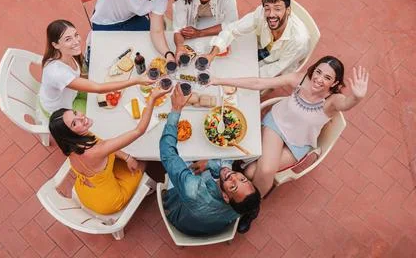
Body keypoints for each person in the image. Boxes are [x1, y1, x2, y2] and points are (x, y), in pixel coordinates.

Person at [211, 56, 369, 197]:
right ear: (314, 70)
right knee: (264, 171)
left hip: (298, 143)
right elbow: (259, 83)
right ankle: (250, 203)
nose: (319, 79)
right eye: (318, 72)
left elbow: (346, 103)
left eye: (327, 77)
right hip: (277, 124)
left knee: (252, 172)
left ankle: (251, 206)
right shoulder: (301, 80)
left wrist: (356, 97)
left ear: (334, 83)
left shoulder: (333, 101)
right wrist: (219, 80)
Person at [159, 84, 261, 236]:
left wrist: (176, 110)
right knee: (225, 161)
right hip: (215, 223)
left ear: (226, 197)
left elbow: (168, 154)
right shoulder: (242, 205)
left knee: (185, 155)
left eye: (233, 186)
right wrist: (211, 165)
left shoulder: (192, 188)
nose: (233, 176)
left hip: (181, 216)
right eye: (242, 179)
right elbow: (229, 177)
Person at [48, 88, 168, 214]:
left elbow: (105, 147)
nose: (81, 117)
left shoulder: (70, 144)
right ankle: (142, 189)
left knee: (130, 157)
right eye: (74, 123)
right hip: (108, 201)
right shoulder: (96, 150)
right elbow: (139, 131)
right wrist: (152, 99)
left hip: (86, 190)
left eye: (75, 112)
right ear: (69, 134)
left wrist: (127, 157)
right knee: (142, 159)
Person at [38, 19, 153, 117]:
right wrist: (136, 81)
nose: (76, 41)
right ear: (55, 45)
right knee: (97, 118)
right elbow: (98, 88)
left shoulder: (67, 54)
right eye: (68, 39)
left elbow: (81, 76)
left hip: (72, 93)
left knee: (104, 97)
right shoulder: (57, 73)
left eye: (76, 35)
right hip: (60, 110)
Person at [70, 0, 178, 64]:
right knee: (106, 59)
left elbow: (157, 32)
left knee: (145, 49)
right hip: (106, 22)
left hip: (131, 18)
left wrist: (168, 54)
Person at [206, 0, 310, 77]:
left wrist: (246, 76)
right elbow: (232, 29)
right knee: (229, 61)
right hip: (263, 47)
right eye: (267, 8)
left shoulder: (298, 41)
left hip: (279, 63)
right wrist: (212, 54)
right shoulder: (261, 12)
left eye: (277, 9)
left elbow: (278, 68)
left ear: (288, 10)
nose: (271, 14)